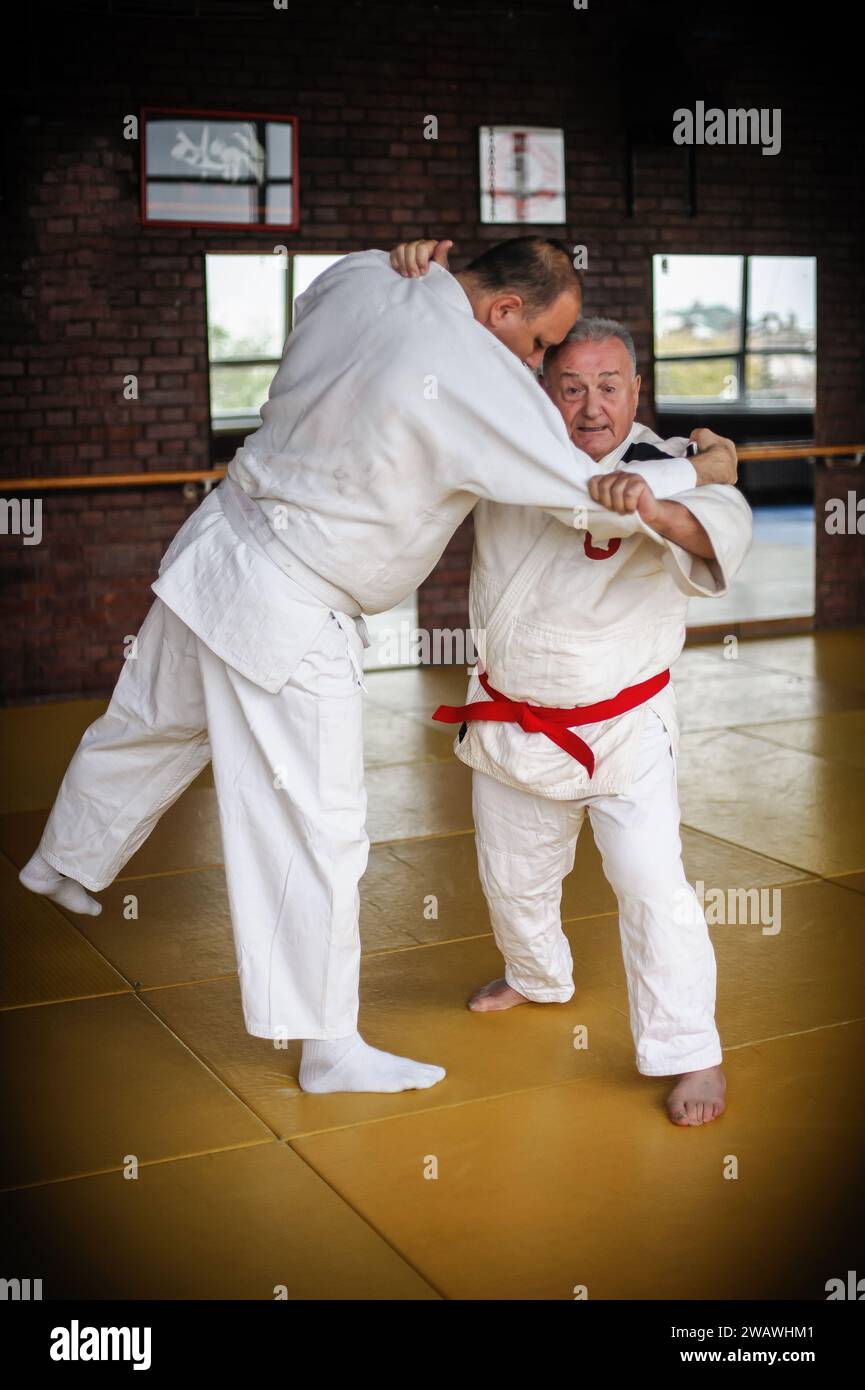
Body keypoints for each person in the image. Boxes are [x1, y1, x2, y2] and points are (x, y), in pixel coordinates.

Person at [19, 238, 737, 1097]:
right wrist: (706, 466)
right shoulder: (482, 386)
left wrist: (410, 265)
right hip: (295, 599)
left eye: (601, 382)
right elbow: (582, 490)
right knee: (316, 829)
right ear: (503, 311)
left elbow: (321, 309)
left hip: (220, 541)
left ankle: (63, 859)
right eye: (546, 351)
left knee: (148, 720)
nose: (545, 371)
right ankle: (329, 1048)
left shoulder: (365, 274)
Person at [391, 239, 751, 1125]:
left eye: (610, 386)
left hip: (625, 728)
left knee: (650, 882)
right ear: (542, 386)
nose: (592, 405)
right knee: (512, 878)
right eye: (571, 386)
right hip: (516, 719)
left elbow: (722, 526)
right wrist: (416, 277)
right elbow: (434, 357)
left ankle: (689, 1052)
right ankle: (536, 975)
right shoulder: (507, 452)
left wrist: (663, 501)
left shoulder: (663, 461)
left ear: (635, 391)